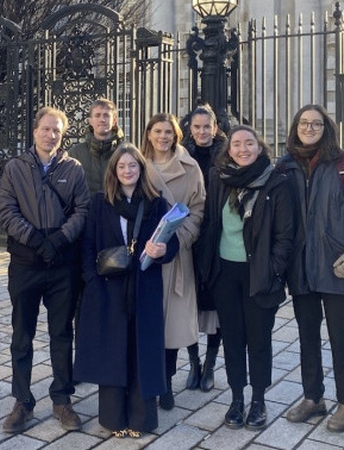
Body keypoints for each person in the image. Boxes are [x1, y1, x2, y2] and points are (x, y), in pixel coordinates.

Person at [276, 105, 344, 432]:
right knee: (306, 335)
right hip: (301, 267)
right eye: (304, 123)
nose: (309, 127)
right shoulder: (286, 164)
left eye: (316, 123)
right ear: (295, 127)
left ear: (326, 127)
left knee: (340, 337)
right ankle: (312, 397)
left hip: (336, 267)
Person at [0, 106, 91, 433]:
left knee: (62, 334)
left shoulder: (73, 168)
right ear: (35, 131)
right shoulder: (15, 168)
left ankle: (62, 399)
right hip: (26, 263)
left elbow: (82, 209)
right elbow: (5, 210)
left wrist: (61, 238)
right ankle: (22, 400)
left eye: (57, 131)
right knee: (22, 334)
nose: (51, 135)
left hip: (62, 265)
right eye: (46, 129)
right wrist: (35, 239)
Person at [74, 143, 179, 438]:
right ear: (114, 171)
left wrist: (162, 250)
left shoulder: (156, 204)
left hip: (144, 288)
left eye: (133, 165)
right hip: (109, 288)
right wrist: (92, 280)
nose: (127, 170)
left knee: (141, 352)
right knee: (113, 352)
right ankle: (112, 418)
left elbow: (173, 243)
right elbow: (87, 245)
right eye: (122, 166)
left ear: (141, 169)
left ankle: (141, 419)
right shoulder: (100, 202)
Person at [199, 125, 295, 430]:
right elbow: (211, 222)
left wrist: (273, 270)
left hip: (259, 274)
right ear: (229, 150)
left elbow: (285, 236)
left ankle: (258, 400)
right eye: (236, 144)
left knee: (258, 339)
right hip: (225, 273)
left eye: (249, 144)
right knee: (233, 338)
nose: (242, 149)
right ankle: (237, 398)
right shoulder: (220, 179)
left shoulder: (276, 182)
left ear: (259, 147)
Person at [141, 113, 206, 410]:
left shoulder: (190, 168)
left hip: (177, 255)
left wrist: (181, 239)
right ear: (149, 133)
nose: (163, 137)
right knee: (148, 322)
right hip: (145, 254)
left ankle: (166, 383)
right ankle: (147, 381)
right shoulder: (138, 164)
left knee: (172, 326)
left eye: (168, 132)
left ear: (176, 135)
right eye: (157, 131)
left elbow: (198, 209)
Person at [181, 104, 226, 391]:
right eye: (196, 127)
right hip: (189, 235)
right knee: (188, 303)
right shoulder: (182, 153)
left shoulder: (225, 153)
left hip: (217, 235)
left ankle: (210, 363)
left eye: (206, 127)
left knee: (214, 304)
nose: (201, 132)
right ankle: (193, 362)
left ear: (214, 127)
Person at [69, 97, 126, 193]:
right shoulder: (75, 154)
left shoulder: (125, 151)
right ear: (90, 121)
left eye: (106, 115)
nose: (102, 119)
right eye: (97, 115)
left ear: (114, 121)